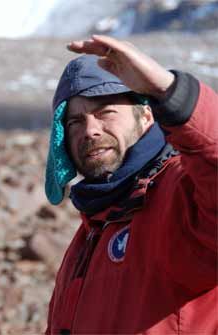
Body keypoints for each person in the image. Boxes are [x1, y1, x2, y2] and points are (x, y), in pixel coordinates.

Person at [44, 35, 217, 333]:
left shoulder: (181, 194)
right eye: (75, 122)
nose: (90, 131)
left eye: (105, 112)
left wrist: (170, 93)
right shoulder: (94, 226)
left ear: (147, 114)